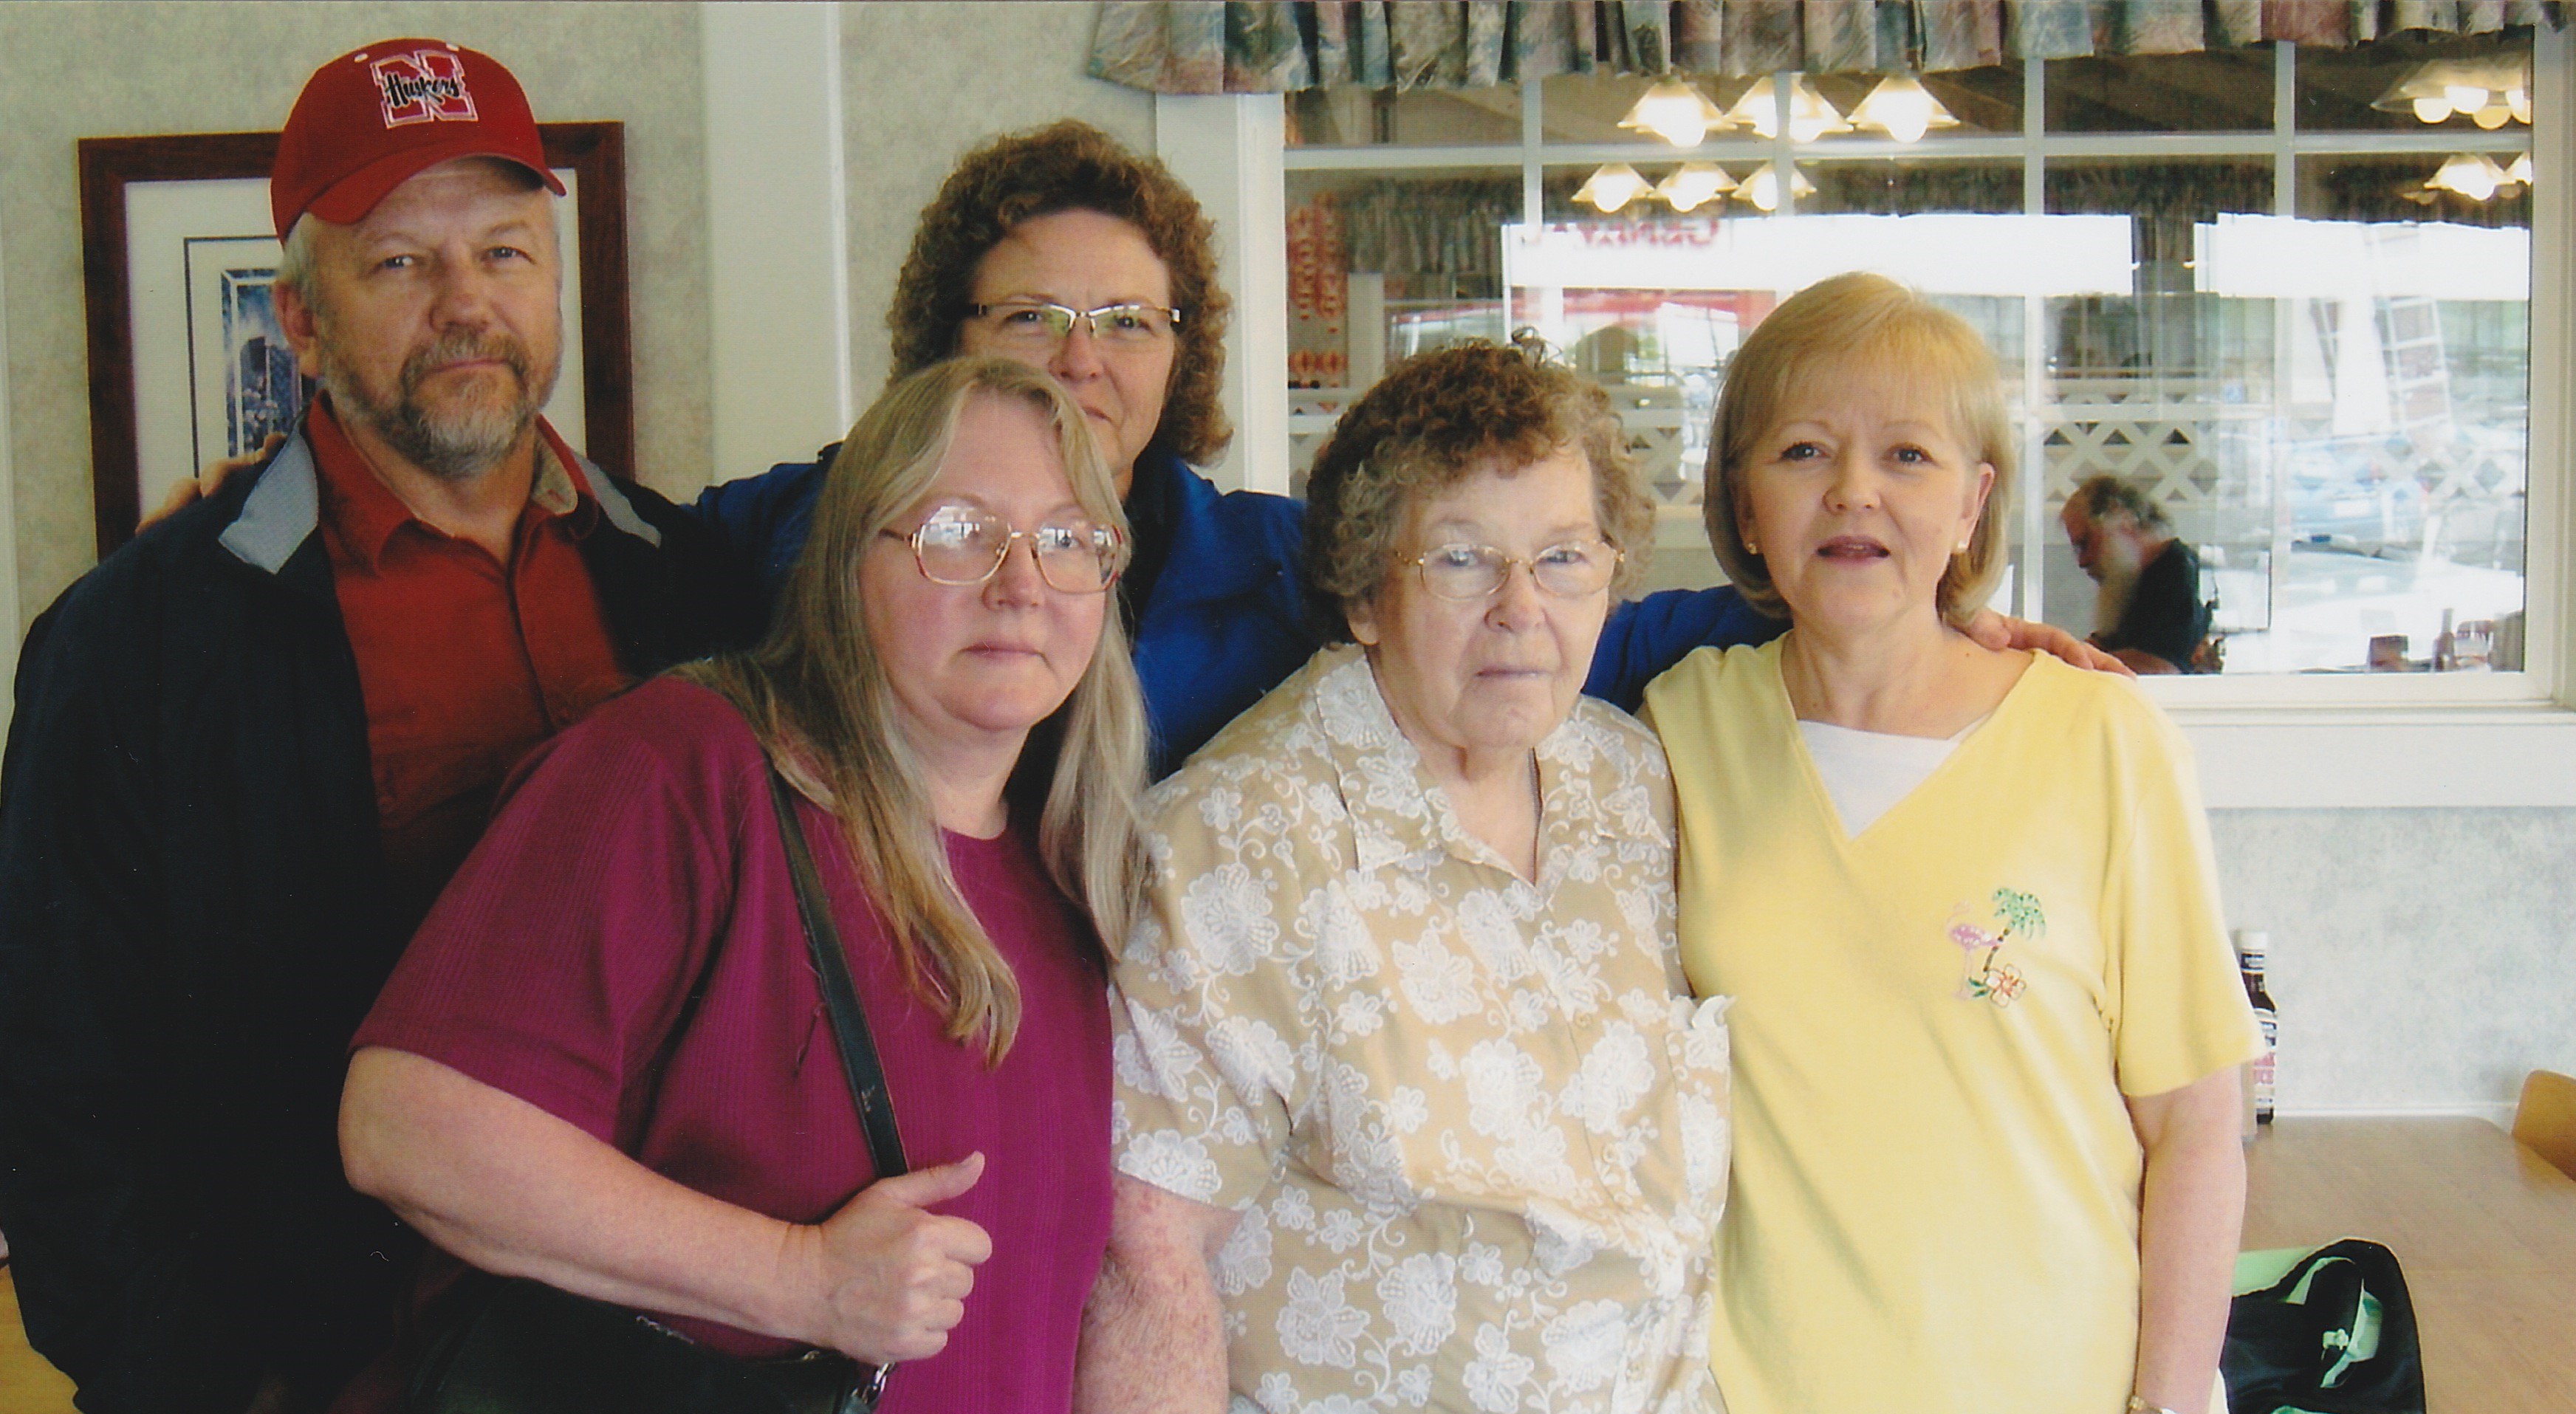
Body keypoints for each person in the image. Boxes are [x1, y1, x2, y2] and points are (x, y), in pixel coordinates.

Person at [0, 39, 758, 1414]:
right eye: (399, 261)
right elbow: (53, 1075)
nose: (463, 301)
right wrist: (214, 1400)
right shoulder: (138, 648)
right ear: (302, 317)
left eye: (501, 251)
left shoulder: (696, 590)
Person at [263, 354, 1145, 1414]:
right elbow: (411, 1124)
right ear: (847, 563)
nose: (1019, 582)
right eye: (955, 531)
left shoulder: (1067, 904)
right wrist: (800, 1279)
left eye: (1066, 539)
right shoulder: (685, 769)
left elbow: (1005, 1384)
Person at [1066, 340, 1753, 1414]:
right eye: (1460, 560)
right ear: (1365, 591)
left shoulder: (1631, 780)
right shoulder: (1242, 836)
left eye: (1562, 558)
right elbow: (1143, 1251)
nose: (1521, 610)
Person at [694, 120, 2113, 776]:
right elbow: (621, 572)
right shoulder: (809, 536)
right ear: (945, 335)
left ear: (1182, 350)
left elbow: (1589, 623)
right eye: (1029, 316)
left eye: (1126, 319)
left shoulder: (1273, 565)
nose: (1081, 359)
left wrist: (1904, 613)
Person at [1642, 274, 2260, 1414]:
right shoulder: (1673, 726)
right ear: (1742, 498)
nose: (1853, 491)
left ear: (1974, 500)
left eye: (1907, 455)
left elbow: (2198, 1128)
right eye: (1802, 451)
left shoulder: (2101, 738)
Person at [2062, 475, 2209, 673]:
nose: (2082, 561)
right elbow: (2104, 645)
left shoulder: (2176, 572)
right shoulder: (2129, 582)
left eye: (2085, 543)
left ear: (2121, 519)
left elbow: (2161, 667)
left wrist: (2082, 660)